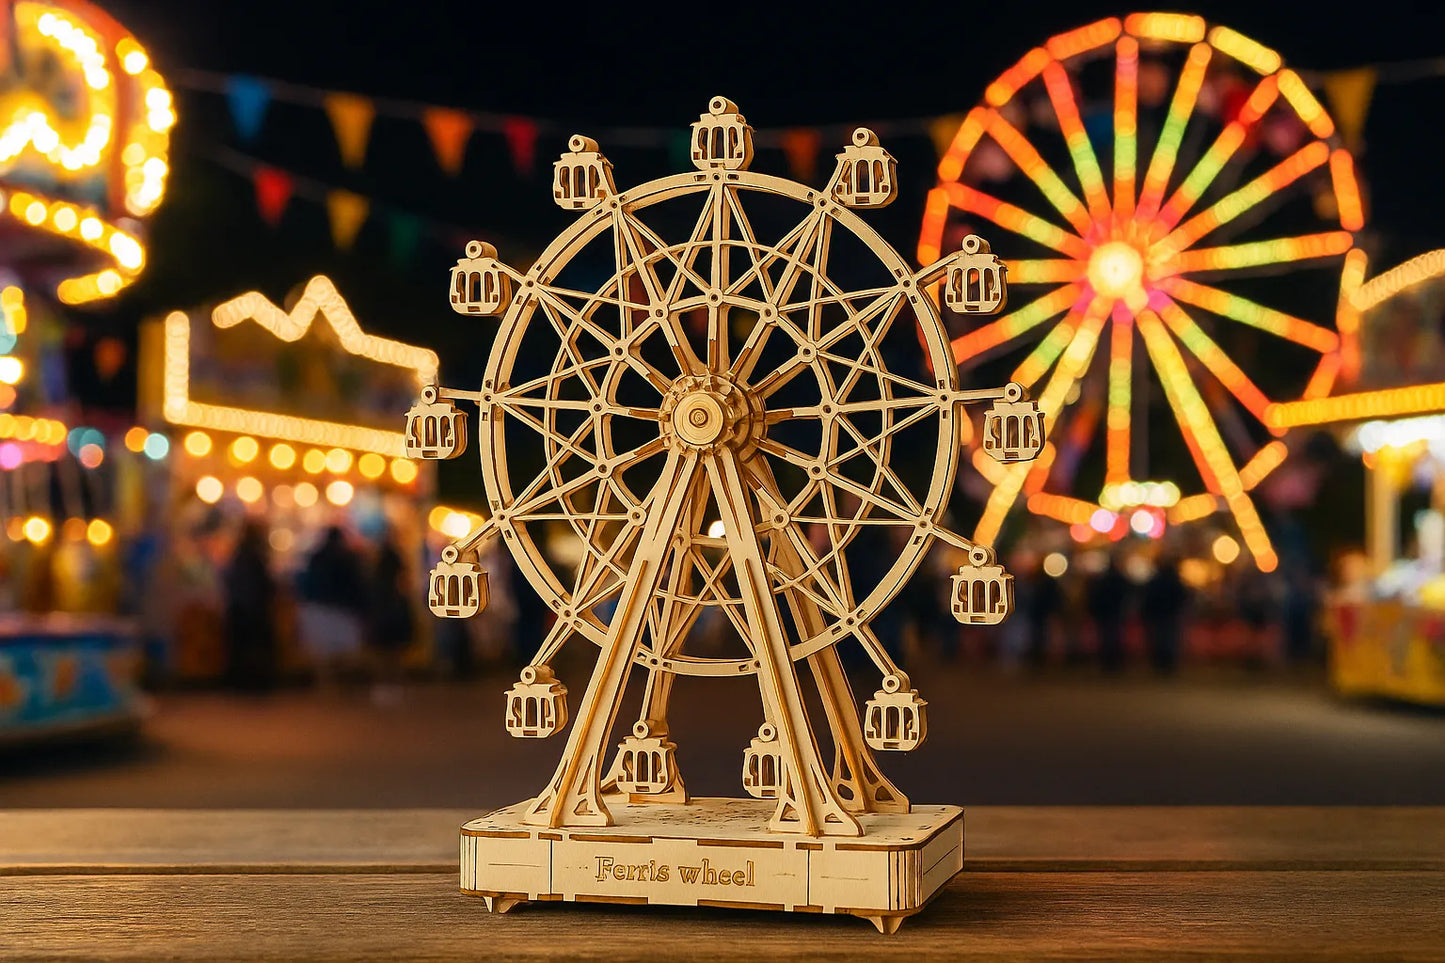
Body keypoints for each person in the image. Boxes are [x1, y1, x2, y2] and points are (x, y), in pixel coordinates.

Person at [298, 526, 367, 687]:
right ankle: (343, 687)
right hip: (343, 610)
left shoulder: (316, 557)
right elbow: (356, 585)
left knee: (323, 653)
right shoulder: (348, 558)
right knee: (345, 652)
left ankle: (327, 686)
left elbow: (306, 583)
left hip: (319, 608)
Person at [222, 520, 277, 691]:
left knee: (240, 648)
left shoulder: (239, 554)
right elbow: (265, 583)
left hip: (239, 607)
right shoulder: (255, 555)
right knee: (258, 647)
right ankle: (256, 683)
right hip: (253, 608)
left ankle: (240, 683)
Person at [367, 532, 413, 706]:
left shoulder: (376, 576)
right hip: (393, 611)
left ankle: (383, 685)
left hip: (382, 613)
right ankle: (396, 684)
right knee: (395, 651)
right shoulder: (396, 589)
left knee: (381, 651)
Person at [1141, 557, 1189, 675]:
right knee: (1169, 639)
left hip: (1158, 614)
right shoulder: (1175, 581)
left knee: (1159, 639)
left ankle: (1160, 663)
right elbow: (1183, 596)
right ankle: (1168, 663)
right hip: (1170, 614)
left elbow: (1148, 598)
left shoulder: (1155, 581)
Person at [1088, 554, 1130, 673]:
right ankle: (1114, 661)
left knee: (1106, 637)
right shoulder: (1119, 579)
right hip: (1114, 612)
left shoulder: (1102, 579)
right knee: (1114, 636)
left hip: (1105, 612)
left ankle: (1108, 661)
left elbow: (1095, 596)